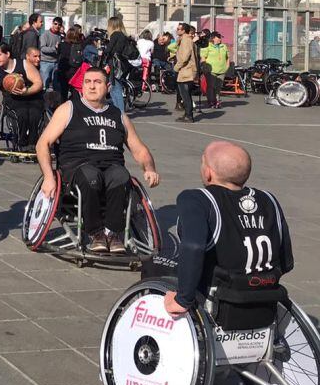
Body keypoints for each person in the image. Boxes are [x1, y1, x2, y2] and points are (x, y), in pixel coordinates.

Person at [35, 66, 159, 254]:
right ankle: (96, 233)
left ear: (108, 87)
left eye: (97, 82)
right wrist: (48, 176)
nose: (92, 86)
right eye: (88, 82)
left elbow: (139, 148)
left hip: (111, 166)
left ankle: (113, 233)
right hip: (78, 167)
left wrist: (149, 168)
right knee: (91, 176)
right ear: (82, 87)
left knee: (120, 176)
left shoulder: (118, 115)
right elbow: (42, 144)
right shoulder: (69, 109)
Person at [164, 141, 293, 318]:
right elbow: (286, 261)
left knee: (155, 264)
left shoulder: (197, 199)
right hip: (267, 296)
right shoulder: (268, 199)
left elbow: (194, 247)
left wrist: (183, 299)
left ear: (208, 173)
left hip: (221, 298)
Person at [0, 43, 44, 153]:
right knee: (21, 114)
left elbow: (38, 83)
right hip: (12, 100)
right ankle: (21, 143)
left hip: (32, 97)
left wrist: (27, 91)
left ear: (7, 54)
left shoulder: (24, 65)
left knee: (35, 114)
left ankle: (33, 143)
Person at [175, 22, 199, 123]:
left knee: (185, 95)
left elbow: (185, 56)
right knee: (185, 94)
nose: (177, 30)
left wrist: (177, 67)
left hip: (186, 70)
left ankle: (189, 116)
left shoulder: (186, 40)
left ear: (184, 30)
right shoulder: (184, 40)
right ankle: (187, 114)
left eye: (179, 29)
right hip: (186, 70)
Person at [201, 30, 230, 110]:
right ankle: (211, 101)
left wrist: (227, 66)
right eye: (219, 38)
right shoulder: (208, 46)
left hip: (222, 71)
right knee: (211, 86)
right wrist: (205, 66)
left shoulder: (224, 46)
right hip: (211, 71)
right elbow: (203, 57)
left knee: (218, 87)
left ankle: (217, 101)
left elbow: (227, 58)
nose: (220, 39)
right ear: (213, 38)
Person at [58, 27, 85, 98]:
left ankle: (63, 106)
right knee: (75, 91)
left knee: (63, 91)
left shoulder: (62, 44)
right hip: (76, 70)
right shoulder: (80, 45)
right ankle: (75, 106)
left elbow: (58, 54)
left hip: (64, 70)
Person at [38, 16, 63, 93]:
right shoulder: (45, 35)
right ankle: (42, 102)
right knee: (44, 85)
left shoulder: (59, 36)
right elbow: (43, 49)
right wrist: (54, 49)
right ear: (52, 24)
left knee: (56, 85)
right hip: (45, 62)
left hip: (55, 63)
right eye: (55, 24)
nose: (57, 26)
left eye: (59, 25)